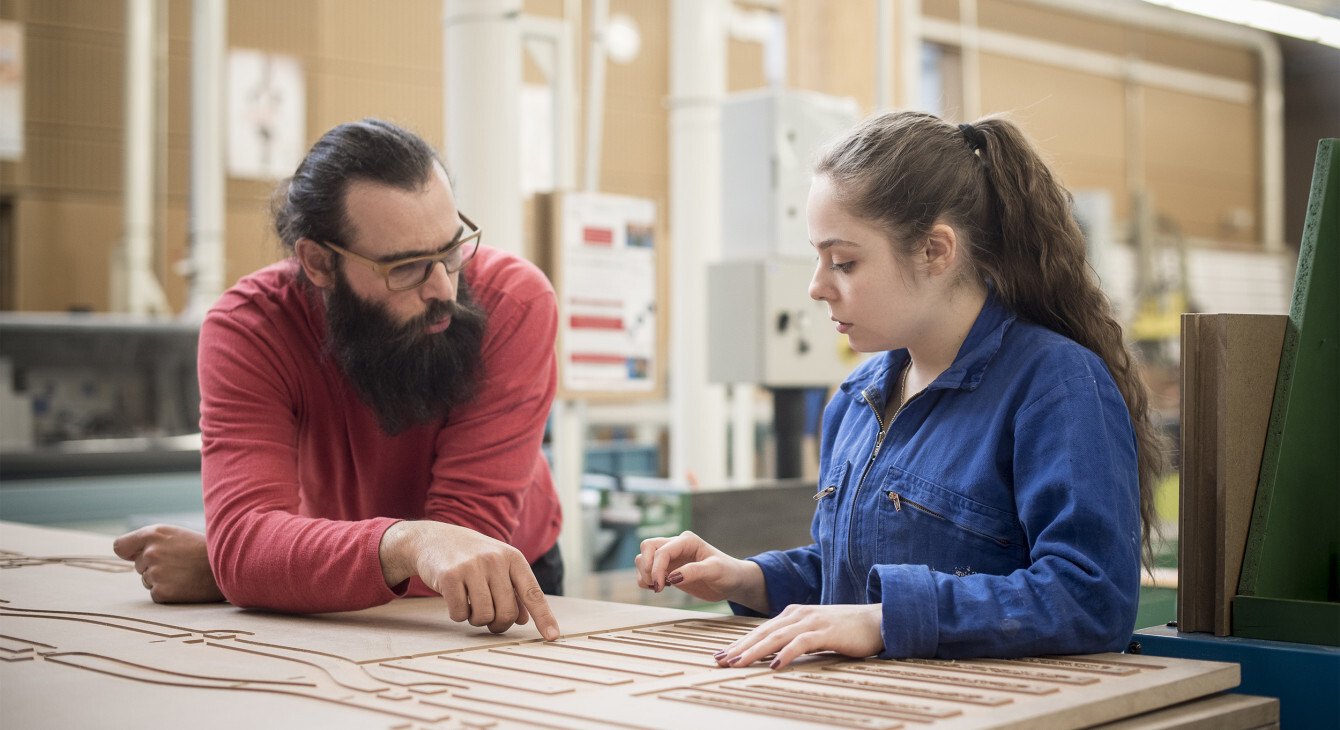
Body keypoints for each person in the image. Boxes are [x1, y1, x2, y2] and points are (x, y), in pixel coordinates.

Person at [636, 111, 1165, 668]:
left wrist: (888, 619)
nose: (817, 288)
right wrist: (746, 578)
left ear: (936, 251)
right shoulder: (856, 400)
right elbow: (848, 579)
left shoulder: (1055, 387)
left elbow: (1090, 597)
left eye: (844, 262)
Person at [113, 119, 562, 641]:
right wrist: (253, 565)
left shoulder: (516, 303)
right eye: (408, 267)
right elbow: (247, 540)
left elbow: (464, 545)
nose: (443, 287)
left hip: (507, 576)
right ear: (320, 262)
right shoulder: (249, 330)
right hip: (353, 579)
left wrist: (239, 571)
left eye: (452, 249)